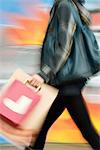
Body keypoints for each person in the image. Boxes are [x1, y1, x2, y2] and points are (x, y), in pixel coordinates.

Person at [25, 0, 100, 149]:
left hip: (67, 80)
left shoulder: (65, 5)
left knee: (86, 130)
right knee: (42, 124)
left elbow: (64, 45)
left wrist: (44, 73)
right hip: (65, 79)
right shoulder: (71, 5)